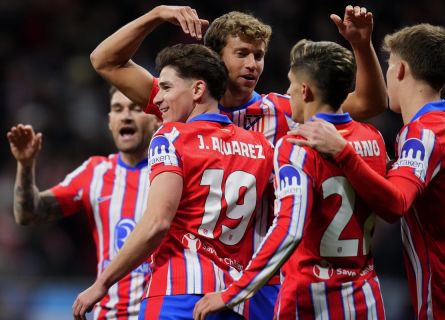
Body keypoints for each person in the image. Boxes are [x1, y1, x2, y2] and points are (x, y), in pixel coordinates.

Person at [88, 5, 387, 318]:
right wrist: (157, 14)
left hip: (264, 279)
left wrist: (362, 45)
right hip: (194, 272)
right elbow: (104, 60)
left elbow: (370, 103)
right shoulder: (182, 100)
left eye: (258, 56)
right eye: (242, 53)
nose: (252, 65)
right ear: (216, 57)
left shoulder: (285, 111)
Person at [288, 23, 445, 319]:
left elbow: (395, 205)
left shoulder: (421, 134)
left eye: (389, 66)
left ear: (400, 70)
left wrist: (343, 151)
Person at [73, 43, 274, 320]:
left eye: (166, 88)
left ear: (197, 90)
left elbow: (157, 222)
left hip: (175, 295)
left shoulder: (171, 137)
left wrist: (102, 283)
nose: (156, 99)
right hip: (233, 300)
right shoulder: (261, 147)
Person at [193, 38, 388, 320]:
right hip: (365, 298)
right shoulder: (373, 138)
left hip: (308, 300)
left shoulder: (296, 145)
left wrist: (234, 292)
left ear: (305, 90)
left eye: (291, 84)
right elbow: (393, 205)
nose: (288, 92)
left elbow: (290, 229)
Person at [7, 88, 160, 319]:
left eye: (136, 109)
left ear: (156, 119)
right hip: (109, 313)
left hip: (161, 312)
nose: (126, 116)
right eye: (118, 109)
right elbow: (28, 214)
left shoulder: (170, 173)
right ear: (110, 121)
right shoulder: (95, 172)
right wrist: (25, 165)